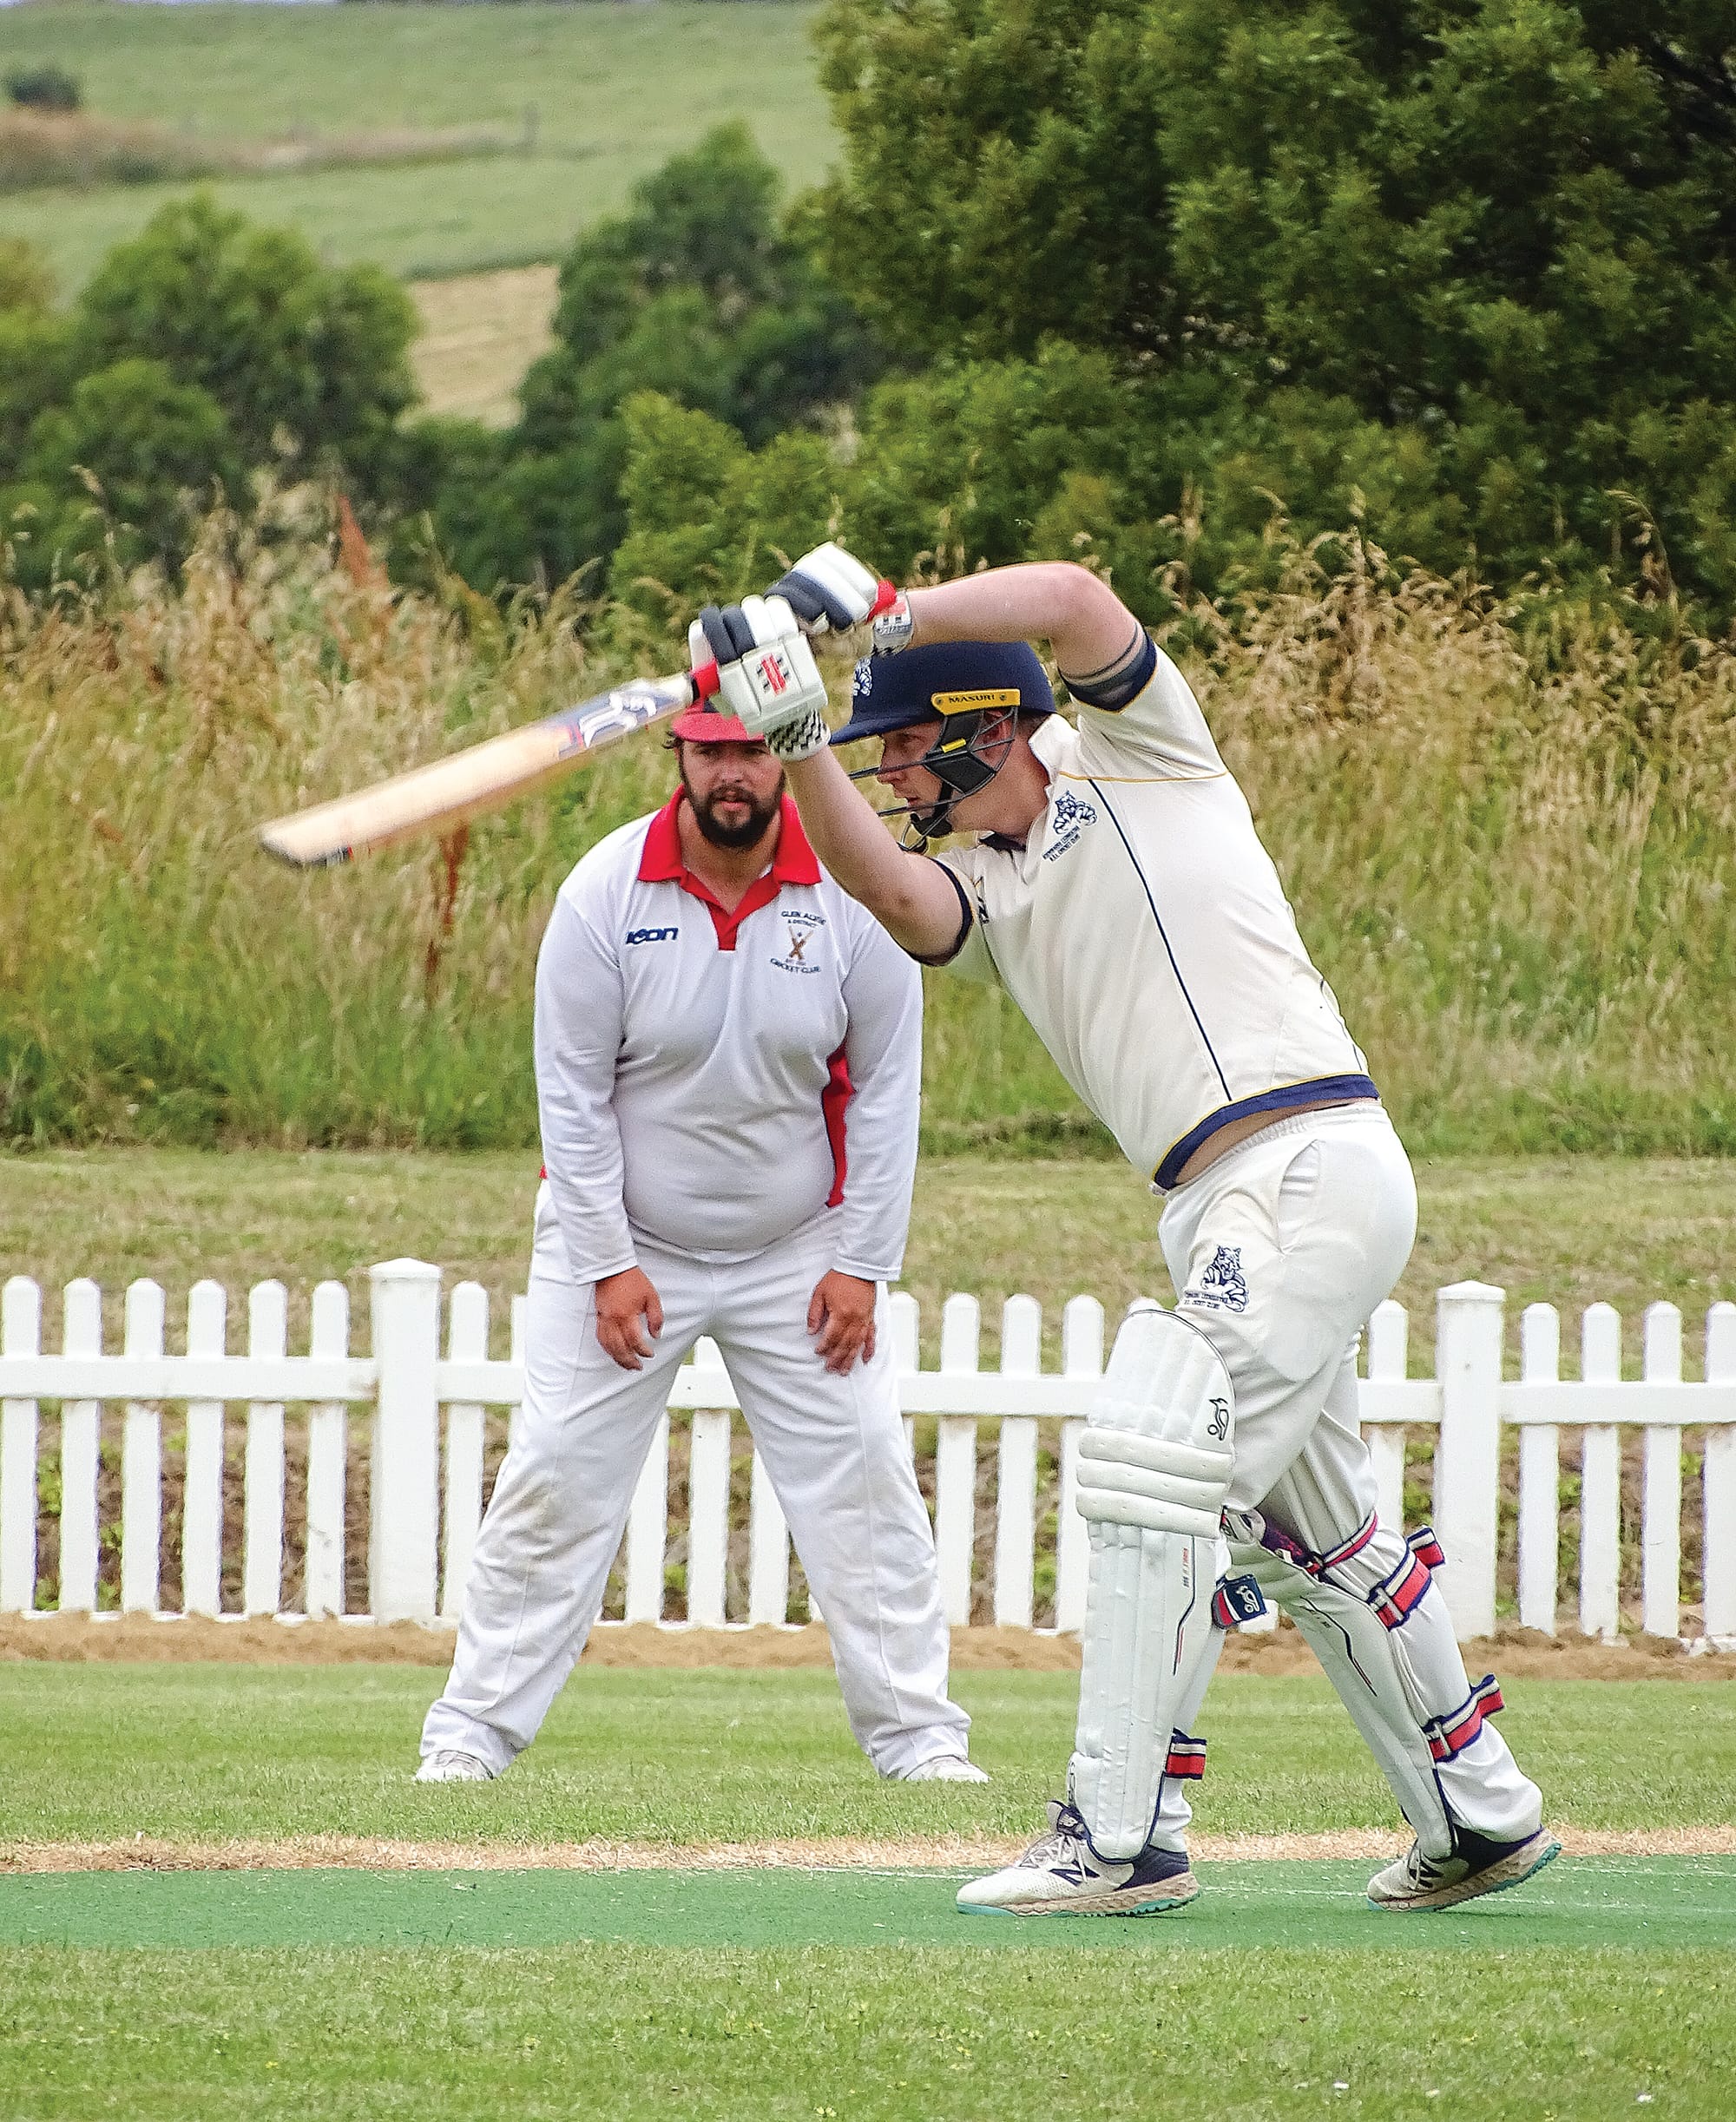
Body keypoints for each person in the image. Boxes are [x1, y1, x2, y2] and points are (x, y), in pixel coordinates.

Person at [683, 549, 1556, 1915]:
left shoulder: (1142, 752)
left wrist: (877, 612)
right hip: (1224, 1199)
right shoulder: (986, 879)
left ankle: (1119, 1831)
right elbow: (896, 900)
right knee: (1310, 1531)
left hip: (1307, 1158)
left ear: (992, 722)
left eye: (906, 748)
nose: (895, 780)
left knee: (1164, 1465)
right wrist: (800, 749)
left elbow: (1081, 599)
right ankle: (1477, 1811)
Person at [418, 698, 982, 1786]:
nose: (732, 774)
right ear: (678, 755)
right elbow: (570, 1099)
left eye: (750, 752)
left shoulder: (855, 896)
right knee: (554, 1480)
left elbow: (885, 1097)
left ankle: (921, 1744)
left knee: (864, 1483)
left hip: (801, 1253)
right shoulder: (602, 892)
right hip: (625, 1248)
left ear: (784, 756)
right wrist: (606, 1261)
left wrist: (861, 1263)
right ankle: (469, 1739)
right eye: (709, 751)